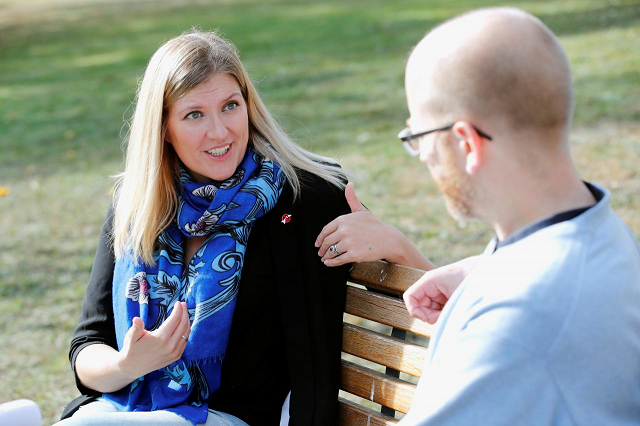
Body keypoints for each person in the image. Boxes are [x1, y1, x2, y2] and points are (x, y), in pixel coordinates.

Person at [57, 30, 351, 426]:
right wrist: (128, 365)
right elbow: (88, 346)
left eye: (230, 106)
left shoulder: (304, 198)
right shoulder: (137, 203)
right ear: (163, 128)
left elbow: (415, 295)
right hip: (129, 408)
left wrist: (395, 247)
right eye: (194, 114)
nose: (220, 131)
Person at [392, 7, 639, 425]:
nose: (422, 158)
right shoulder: (606, 234)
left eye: (418, 138)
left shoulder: (518, 322)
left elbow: (539, 322)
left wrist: (506, 292)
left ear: (466, 143)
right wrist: (488, 271)